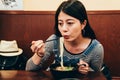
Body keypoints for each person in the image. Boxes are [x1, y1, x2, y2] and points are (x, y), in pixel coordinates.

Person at [26, 0, 111, 79]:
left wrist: (87, 70)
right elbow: (29, 70)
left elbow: (97, 75)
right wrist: (39, 54)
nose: (64, 29)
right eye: (60, 23)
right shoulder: (55, 40)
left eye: (70, 23)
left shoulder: (96, 48)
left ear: (83, 24)